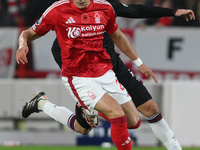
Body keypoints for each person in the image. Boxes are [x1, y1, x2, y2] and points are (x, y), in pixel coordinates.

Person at [49, 1, 195, 150]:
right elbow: (55, 49)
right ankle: (49, 105)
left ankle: (175, 148)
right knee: (84, 128)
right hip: (88, 77)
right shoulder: (64, 15)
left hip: (114, 68)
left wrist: (173, 12)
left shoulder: (105, 5)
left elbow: (136, 11)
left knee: (150, 108)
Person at [15, 0, 156, 149]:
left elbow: (117, 36)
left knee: (133, 122)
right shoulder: (57, 10)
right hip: (79, 78)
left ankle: (42, 103)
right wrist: (22, 45)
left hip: (104, 72)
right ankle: (88, 106)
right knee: (116, 114)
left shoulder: (104, 7)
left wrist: (139, 62)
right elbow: (27, 33)